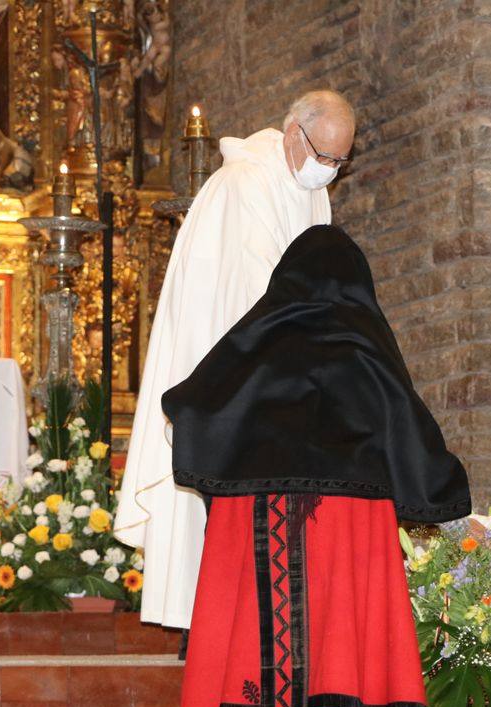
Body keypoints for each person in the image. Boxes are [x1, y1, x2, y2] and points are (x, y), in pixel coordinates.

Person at [164, 225, 470, 707]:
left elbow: (189, 402)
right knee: (345, 646)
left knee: (261, 623)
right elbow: (407, 428)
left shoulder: (256, 338)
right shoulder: (361, 340)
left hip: (255, 502)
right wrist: (442, 490)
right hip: (346, 513)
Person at [115, 90, 355, 630]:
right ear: (295, 132)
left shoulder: (306, 190)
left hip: (278, 377)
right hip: (229, 381)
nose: (330, 172)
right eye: (326, 157)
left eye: (341, 162)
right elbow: (252, 298)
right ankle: (215, 622)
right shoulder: (245, 184)